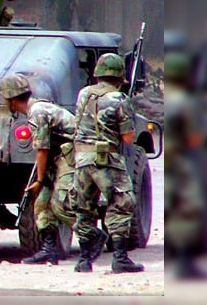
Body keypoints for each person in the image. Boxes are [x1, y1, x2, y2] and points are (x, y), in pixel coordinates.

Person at [0, 74, 107, 266]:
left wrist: (39, 180)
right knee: (41, 203)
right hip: (58, 155)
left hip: (70, 153)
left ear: (12, 100)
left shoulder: (37, 111)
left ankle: (93, 234)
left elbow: (42, 149)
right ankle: (49, 249)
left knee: (61, 203)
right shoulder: (36, 109)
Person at [72, 53, 143, 273]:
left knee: (84, 207)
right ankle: (120, 258)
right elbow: (128, 138)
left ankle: (84, 260)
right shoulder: (119, 99)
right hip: (106, 160)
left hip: (81, 159)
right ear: (120, 76)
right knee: (122, 203)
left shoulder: (83, 94)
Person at [164, 51, 207, 280]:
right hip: (183, 161)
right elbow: (194, 138)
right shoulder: (187, 102)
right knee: (190, 210)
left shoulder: (166, 99)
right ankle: (185, 263)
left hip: (168, 160)